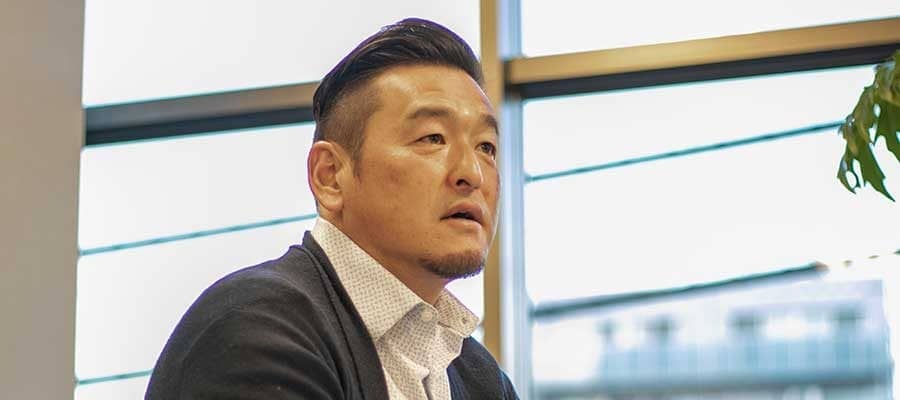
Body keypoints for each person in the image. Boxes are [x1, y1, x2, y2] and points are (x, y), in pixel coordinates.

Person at [145, 18, 519, 400]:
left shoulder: (483, 381)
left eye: (486, 147)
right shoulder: (254, 330)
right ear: (330, 176)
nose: (472, 173)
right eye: (432, 138)